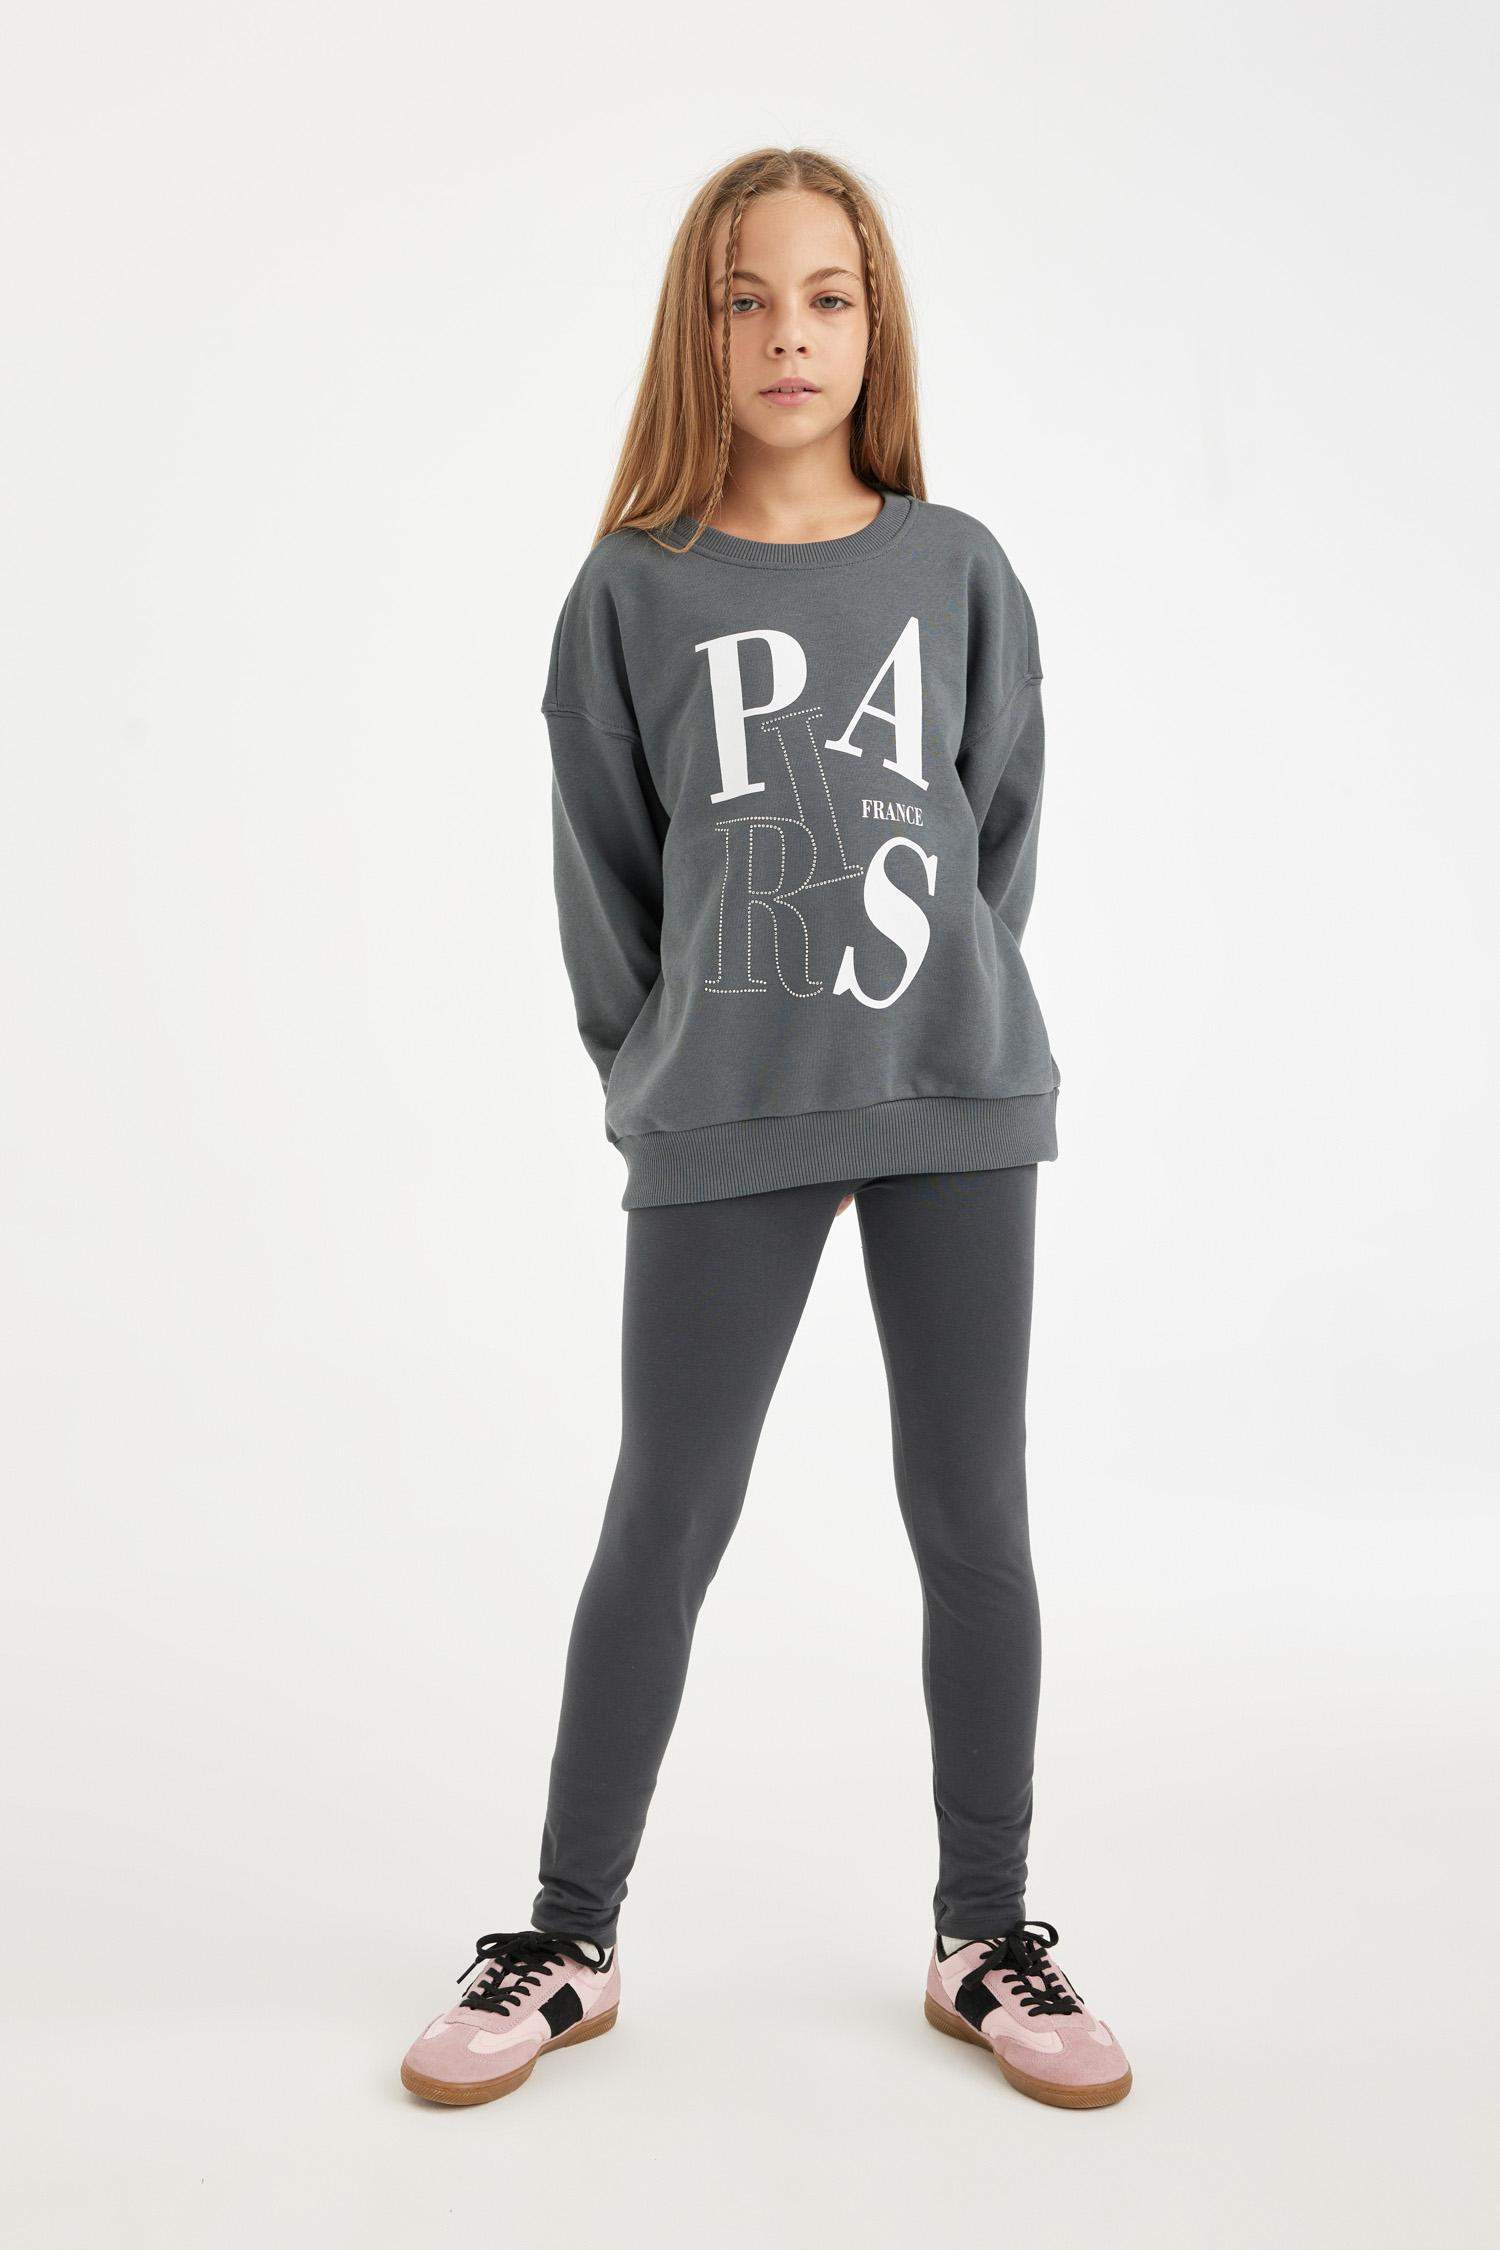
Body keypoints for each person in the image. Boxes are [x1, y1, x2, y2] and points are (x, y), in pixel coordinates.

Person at [398, 145, 1132, 2114]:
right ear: (699, 332)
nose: (787, 334)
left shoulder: (958, 567)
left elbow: (994, 836)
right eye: (746, 298)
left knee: (973, 1513)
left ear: (873, 326)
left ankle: (987, 1930)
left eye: (825, 295)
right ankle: (567, 1932)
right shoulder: (632, 590)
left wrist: (934, 1019)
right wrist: (665, 1063)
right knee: (667, 1511)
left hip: (956, 1097)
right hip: (724, 1107)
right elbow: (607, 875)